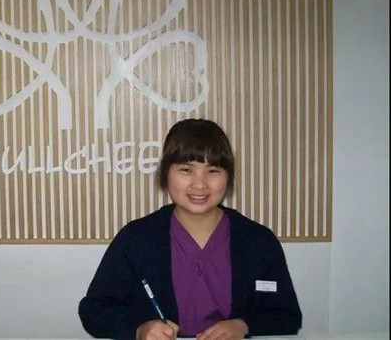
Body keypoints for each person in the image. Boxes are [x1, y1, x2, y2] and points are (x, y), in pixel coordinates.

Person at [79, 119, 302, 339]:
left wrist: (244, 325)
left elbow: (287, 317)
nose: (200, 184)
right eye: (186, 170)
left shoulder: (258, 241)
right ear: (166, 174)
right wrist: (139, 329)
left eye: (213, 170)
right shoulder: (136, 239)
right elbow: (94, 310)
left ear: (228, 177)